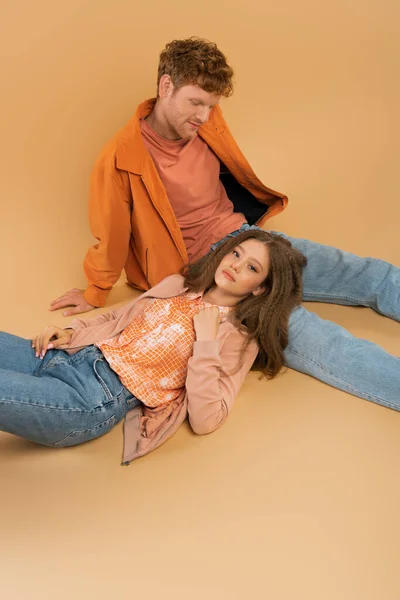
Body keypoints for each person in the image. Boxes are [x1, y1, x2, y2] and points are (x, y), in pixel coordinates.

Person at [50, 37, 400, 411]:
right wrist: (95, 290)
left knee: (367, 273)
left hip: (252, 242)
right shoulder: (122, 157)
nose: (203, 115)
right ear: (165, 87)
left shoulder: (205, 122)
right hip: (211, 276)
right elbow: (112, 231)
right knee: (326, 343)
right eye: (196, 102)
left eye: (211, 105)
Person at [0, 231, 306, 464]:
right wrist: (70, 332)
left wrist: (207, 341)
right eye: (236, 254)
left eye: (251, 267)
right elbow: (116, 318)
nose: (235, 266)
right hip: (67, 356)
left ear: (260, 288)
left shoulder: (237, 338)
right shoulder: (178, 286)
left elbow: (207, 418)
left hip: (92, 398)